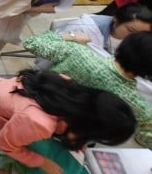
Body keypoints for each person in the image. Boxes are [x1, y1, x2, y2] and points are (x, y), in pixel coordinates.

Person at [0, 70, 136, 172]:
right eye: (93, 137)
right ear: (88, 127)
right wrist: (43, 162)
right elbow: (5, 145)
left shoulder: (68, 86)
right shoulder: (39, 123)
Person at [23, 29, 152, 147]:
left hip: (31, 108)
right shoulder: (137, 104)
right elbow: (146, 138)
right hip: (69, 142)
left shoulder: (79, 54)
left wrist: (71, 36)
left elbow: (32, 43)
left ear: (123, 45)